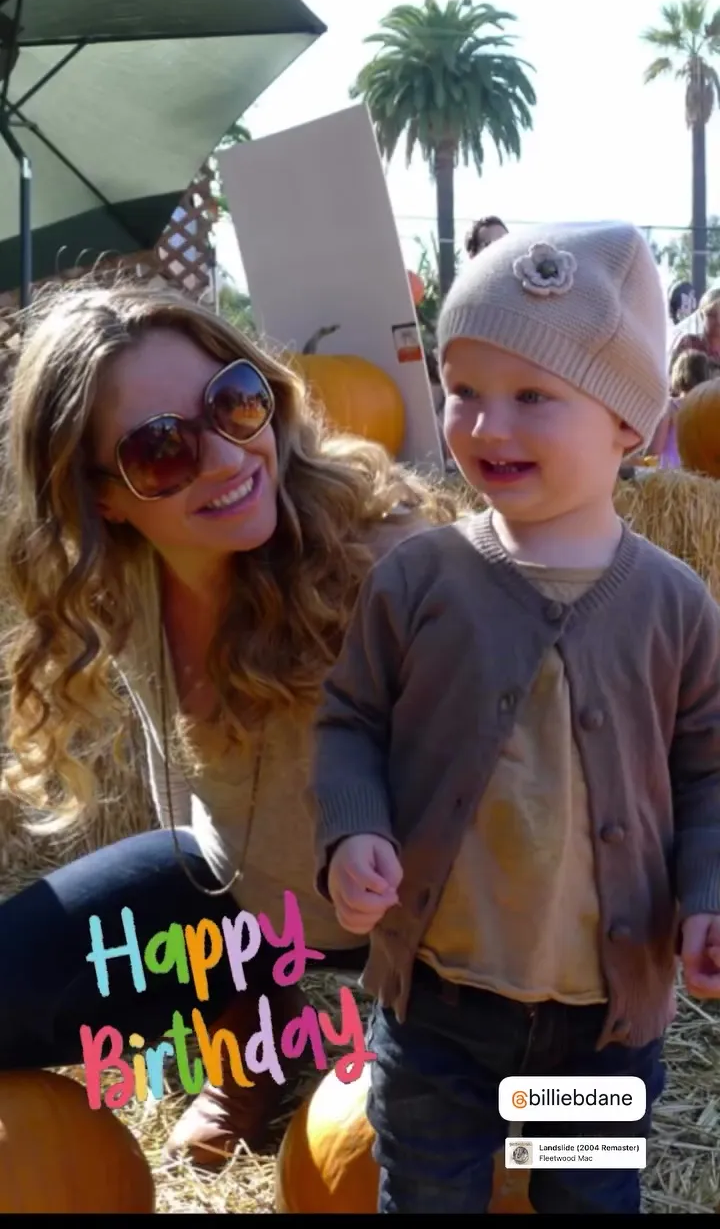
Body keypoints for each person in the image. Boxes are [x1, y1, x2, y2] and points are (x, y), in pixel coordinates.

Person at [311, 222, 720, 1215]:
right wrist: (353, 828)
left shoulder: (673, 603)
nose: (487, 426)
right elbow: (349, 720)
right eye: (464, 391)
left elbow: (707, 768)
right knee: (431, 1196)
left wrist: (707, 889)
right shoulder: (421, 577)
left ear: (628, 420)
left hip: (597, 1014)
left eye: (533, 396)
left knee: (584, 1197)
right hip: (442, 1005)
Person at [0, 279, 458, 1166]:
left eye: (234, 401)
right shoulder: (123, 584)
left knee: (463, 1147)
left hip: (428, 921)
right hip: (243, 897)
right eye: (161, 450)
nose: (225, 456)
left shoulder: (399, 568)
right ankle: (258, 1042)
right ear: (101, 500)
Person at [651, 349, 711, 469]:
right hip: (696, 476)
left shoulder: (670, 407)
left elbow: (655, 451)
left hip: (670, 477)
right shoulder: (707, 409)